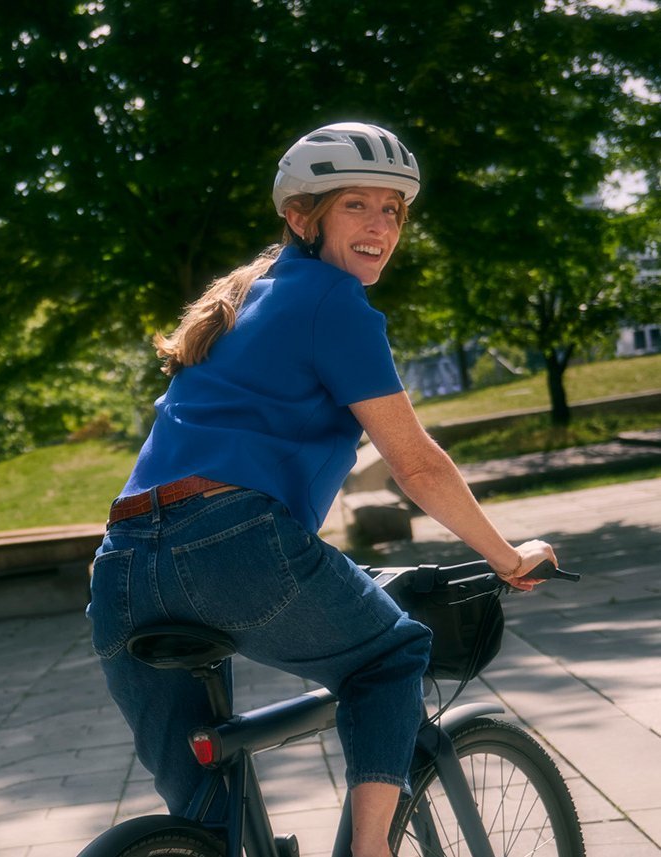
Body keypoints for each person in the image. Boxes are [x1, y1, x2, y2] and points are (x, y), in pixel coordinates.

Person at [86, 121, 556, 857]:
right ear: (302, 216)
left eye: (392, 210)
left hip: (121, 570)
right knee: (392, 655)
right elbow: (418, 464)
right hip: (235, 544)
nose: (379, 226)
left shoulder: (242, 302)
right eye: (355, 206)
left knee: (211, 826)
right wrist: (506, 555)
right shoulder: (333, 300)